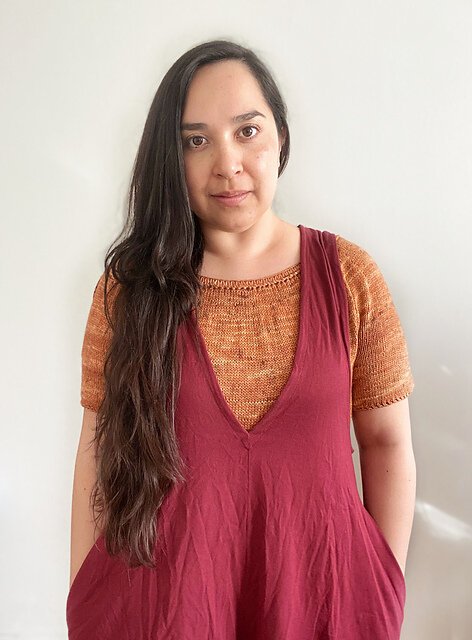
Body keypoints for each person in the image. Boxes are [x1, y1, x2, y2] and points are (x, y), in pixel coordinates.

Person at [67, 39, 416, 639]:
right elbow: (98, 453)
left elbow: (386, 442)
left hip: (323, 606)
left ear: (280, 135)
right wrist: (85, 588)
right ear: (170, 157)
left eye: (247, 131)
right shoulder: (129, 292)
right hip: (165, 611)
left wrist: (381, 586)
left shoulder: (350, 277)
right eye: (195, 141)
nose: (227, 164)